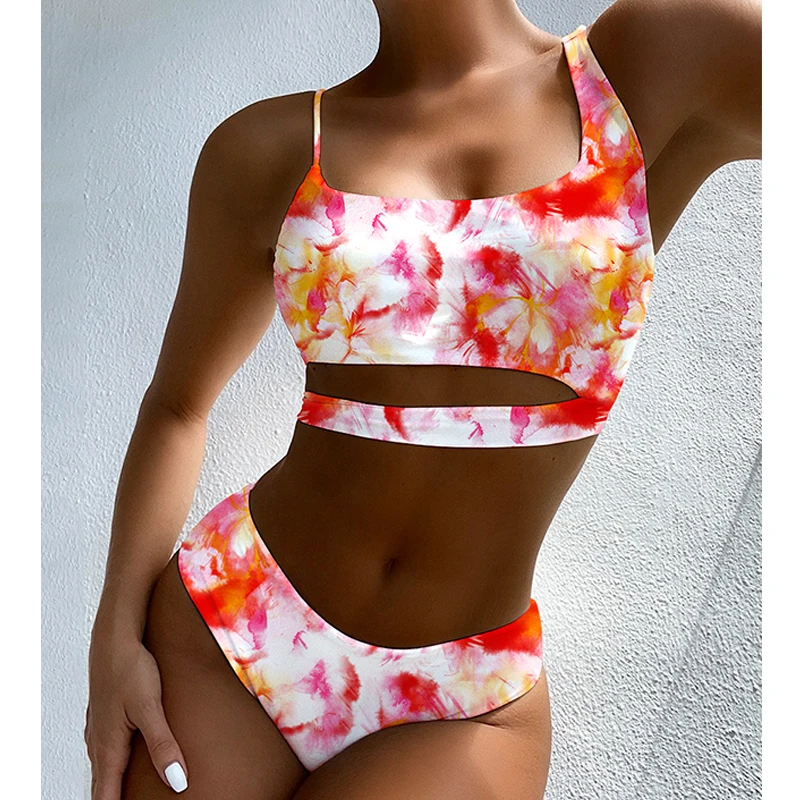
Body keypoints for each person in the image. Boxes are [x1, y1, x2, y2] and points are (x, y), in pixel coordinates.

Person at [84, 1, 762, 798]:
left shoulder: (652, 62)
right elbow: (177, 406)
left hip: (466, 696)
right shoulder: (267, 148)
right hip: (232, 626)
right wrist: (112, 638)